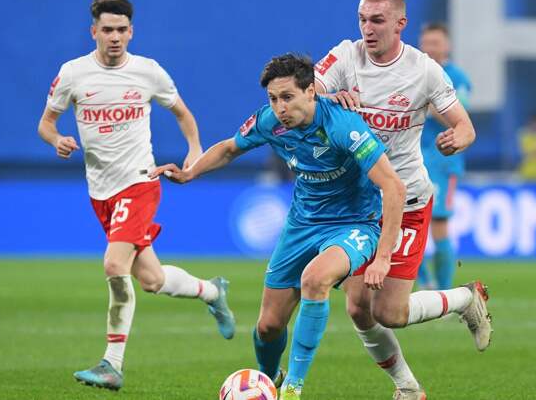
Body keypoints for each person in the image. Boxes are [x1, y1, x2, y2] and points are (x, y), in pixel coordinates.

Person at [151, 53, 406, 400]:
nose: (280, 107)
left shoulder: (343, 127)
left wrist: (383, 258)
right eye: (273, 98)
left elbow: (393, 186)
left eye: (287, 97)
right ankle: (270, 380)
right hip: (302, 224)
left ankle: (293, 388)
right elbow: (229, 149)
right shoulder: (270, 121)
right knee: (268, 326)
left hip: (353, 223)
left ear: (311, 91)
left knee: (315, 279)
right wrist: (189, 173)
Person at [37, 0, 235, 391]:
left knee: (115, 265)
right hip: (100, 192)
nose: (114, 37)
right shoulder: (73, 74)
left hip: (140, 183)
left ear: (131, 32)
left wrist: (194, 150)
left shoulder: (148, 72)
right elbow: (46, 123)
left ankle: (112, 364)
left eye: (121, 30)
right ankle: (213, 291)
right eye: (107, 30)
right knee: (151, 280)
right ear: (94, 32)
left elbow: (183, 113)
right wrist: (57, 140)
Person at [314, 0, 490, 399]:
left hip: (406, 200)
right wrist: (328, 97)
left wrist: (459, 137)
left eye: (377, 20)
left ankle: (465, 299)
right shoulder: (345, 56)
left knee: (390, 312)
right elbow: (307, 91)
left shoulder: (424, 70)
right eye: (362, 19)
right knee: (357, 307)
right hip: (358, 204)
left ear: (400, 24)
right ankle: (408, 388)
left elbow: (465, 125)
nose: (367, 28)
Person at [417, 22, 472, 290]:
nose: (430, 48)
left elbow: (462, 118)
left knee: (438, 225)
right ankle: (425, 283)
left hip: (443, 161)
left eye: (435, 43)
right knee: (404, 223)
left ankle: (443, 289)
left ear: (447, 46)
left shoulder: (457, 77)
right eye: (426, 42)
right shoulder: (413, 72)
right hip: (412, 158)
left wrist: (430, 104)